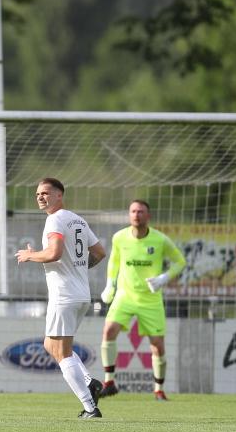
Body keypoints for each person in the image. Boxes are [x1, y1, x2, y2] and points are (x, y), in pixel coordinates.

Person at [16, 178, 107, 419]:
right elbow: (99, 252)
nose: (40, 197)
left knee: (61, 353)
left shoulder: (54, 219)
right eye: (37, 194)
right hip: (81, 295)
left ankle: (90, 406)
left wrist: (30, 254)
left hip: (64, 295)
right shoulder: (77, 219)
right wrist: (78, 269)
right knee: (51, 345)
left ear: (59, 195)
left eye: (46, 193)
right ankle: (90, 382)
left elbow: (54, 253)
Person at [98, 200, 186, 401]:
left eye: (141, 211)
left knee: (157, 345)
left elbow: (180, 262)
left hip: (150, 300)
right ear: (129, 215)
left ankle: (158, 389)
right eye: (133, 211)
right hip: (125, 296)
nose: (136, 214)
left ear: (149, 216)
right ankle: (109, 382)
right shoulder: (119, 237)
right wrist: (110, 284)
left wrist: (163, 278)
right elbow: (114, 262)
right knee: (109, 330)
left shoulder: (160, 240)